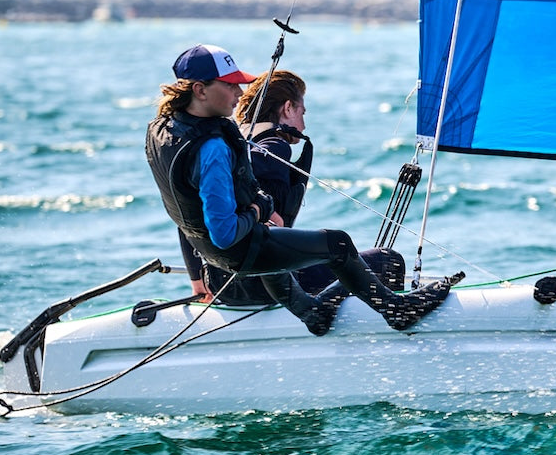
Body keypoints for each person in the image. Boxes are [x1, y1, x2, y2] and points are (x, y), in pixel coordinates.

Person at [147, 44, 447, 335]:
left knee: (270, 241)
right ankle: (397, 312)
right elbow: (226, 233)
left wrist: (197, 279)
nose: (239, 93)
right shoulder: (219, 148)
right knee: (341, 245)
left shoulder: (163, 132)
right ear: (200, 90)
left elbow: (186, 210)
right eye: (230, 85)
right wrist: (259, 209)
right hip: (242, 262)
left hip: (216, 268)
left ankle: (313, 313)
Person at [181, 69, 401, 305]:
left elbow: (188, 216)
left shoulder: (229, 146)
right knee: (388, 261)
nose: (303, 125)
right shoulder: (274, 147)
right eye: (301, 112)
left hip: (220, 286)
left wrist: (197, 281)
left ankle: (324, 308)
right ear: (287, 108)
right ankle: (355, 317)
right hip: (265, 285)